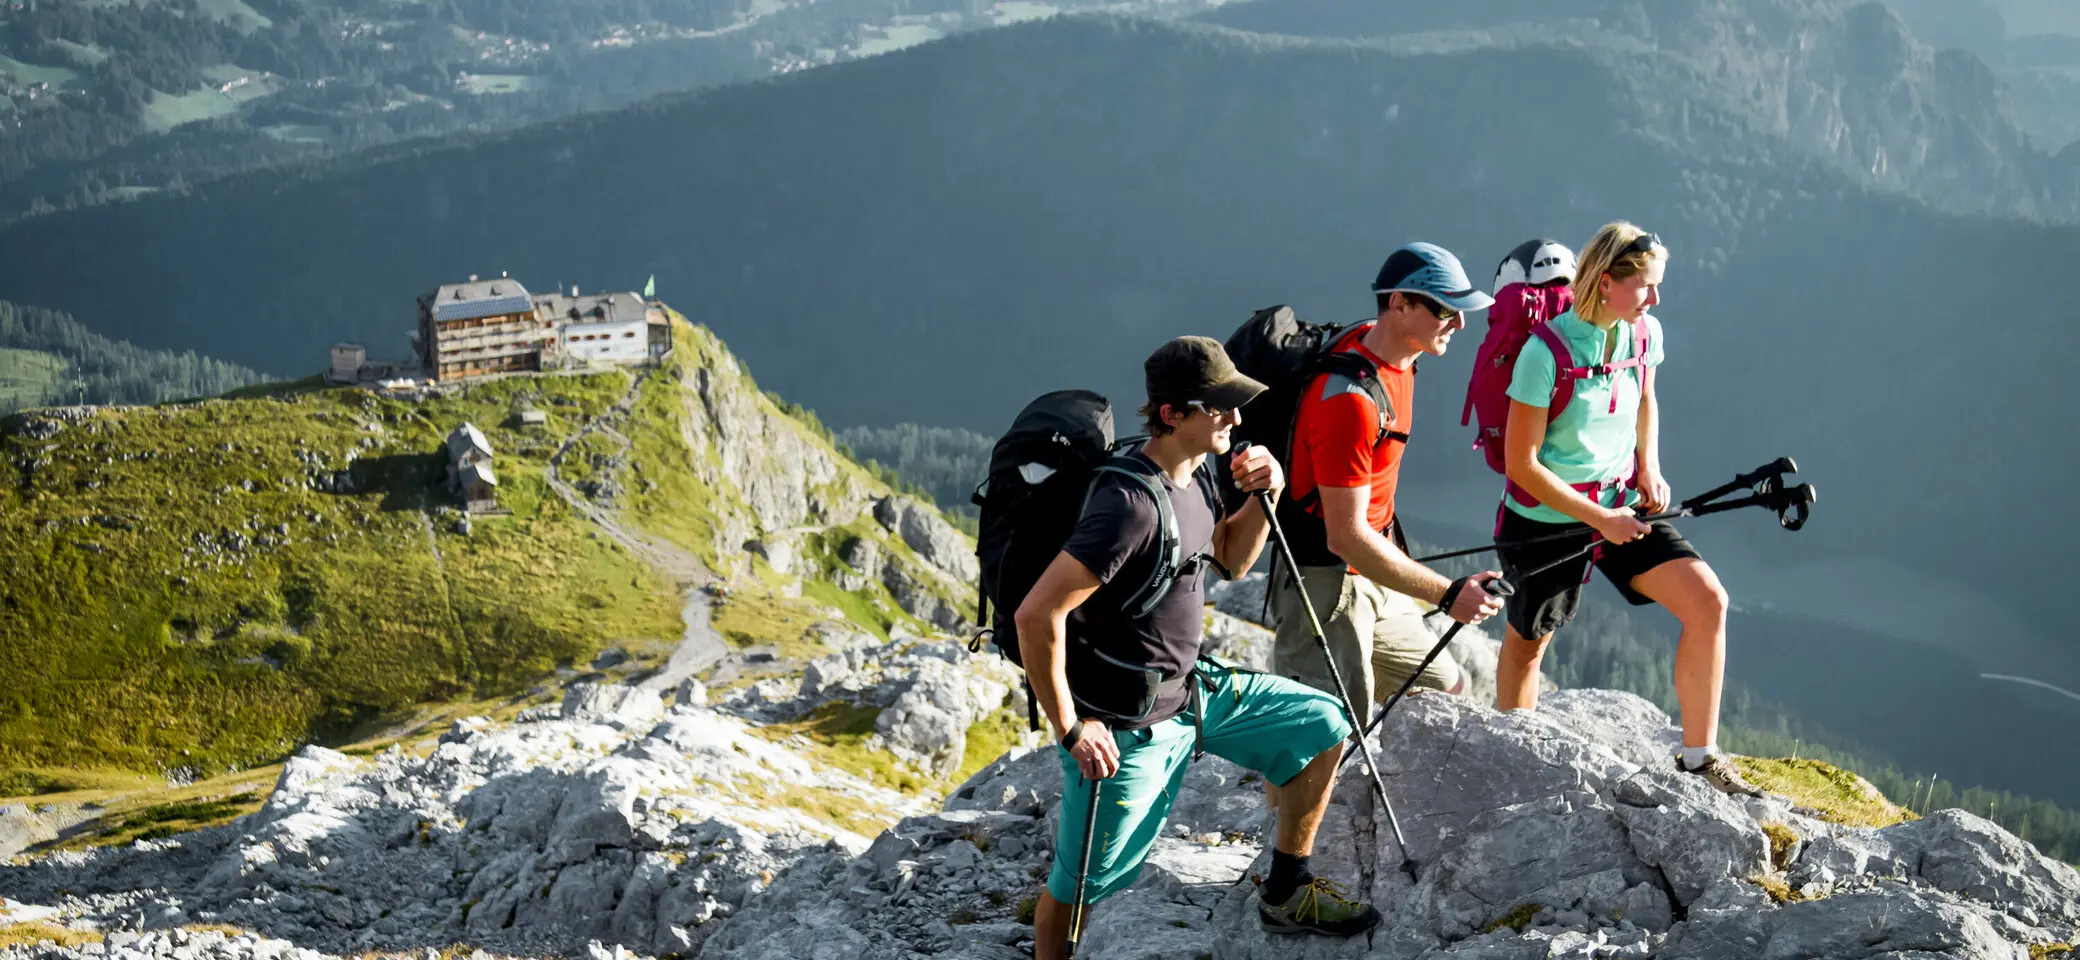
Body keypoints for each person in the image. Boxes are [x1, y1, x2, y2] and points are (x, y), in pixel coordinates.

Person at [1017, 337, 1380, 958]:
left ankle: (1287, 889)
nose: (1236, 419)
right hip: (1127, 726)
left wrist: (1265, 496)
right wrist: (1074, 728)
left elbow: (1233, 560)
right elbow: (1037, 613)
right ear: (1171, 415)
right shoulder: (1128, 505)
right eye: (1219, 407)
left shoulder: (1198, 475)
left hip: (1193, 693)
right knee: (1080, 889)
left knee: (1322, 724)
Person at [1491, 221, 1762, 797]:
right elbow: (1523, 465)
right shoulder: (1546, 353)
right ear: (1606, 282)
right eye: (1645, 285)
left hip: (1621, 503)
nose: (1656, 299)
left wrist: (1650, 467)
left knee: (1708, 601)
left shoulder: (1643, 334)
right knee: (1529, 641)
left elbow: (1646, 400)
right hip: (1545, 518)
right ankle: (1510, 759)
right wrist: (1598, 519)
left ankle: (1698, 759)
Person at [1271, 242, 1508, 723]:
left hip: (1374, 571)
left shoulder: (1393, 355)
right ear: (1399, 304)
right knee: (1324, 736)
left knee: (1445, 689)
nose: (1459, 322)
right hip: (1326, 583)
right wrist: (1447, 594)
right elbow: (1344, 535)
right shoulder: (1349, 401)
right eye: (1445, 308)